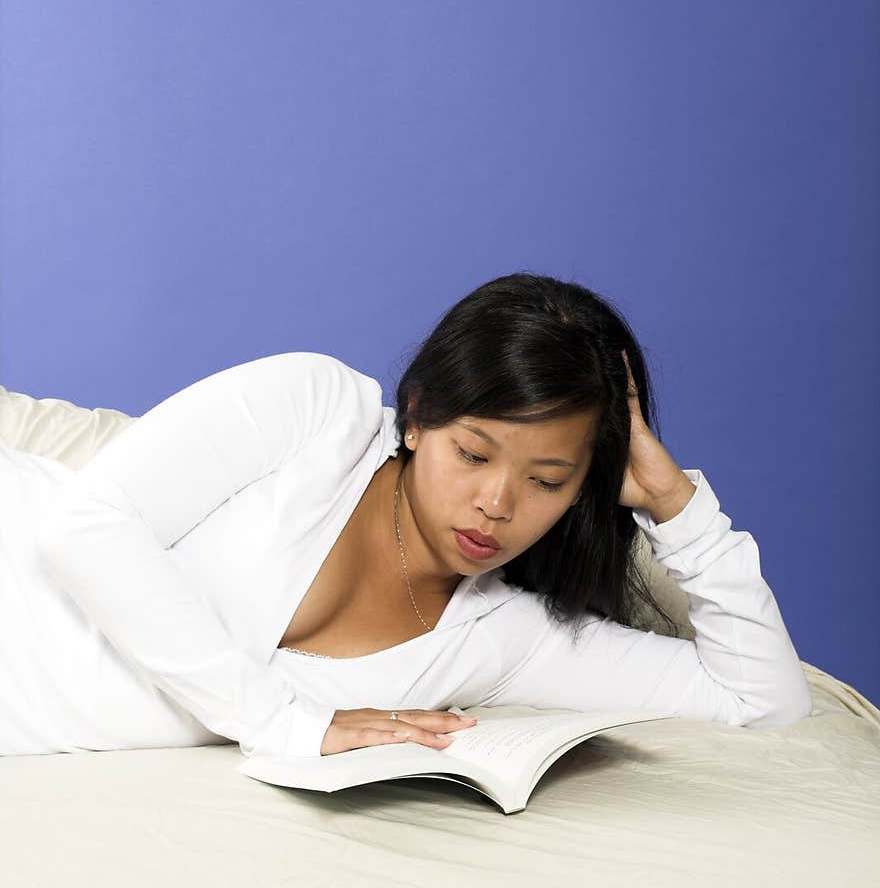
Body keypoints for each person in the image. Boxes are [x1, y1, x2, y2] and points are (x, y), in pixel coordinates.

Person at [1, 272, 812, 760]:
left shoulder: (504, 639)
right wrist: (282, 724)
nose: (497, 504)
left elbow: (763, 699)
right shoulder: (318, 412)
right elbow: (85, 527)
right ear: (417, 415)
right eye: (473, 454)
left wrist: (680, 508)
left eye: (549, 479)